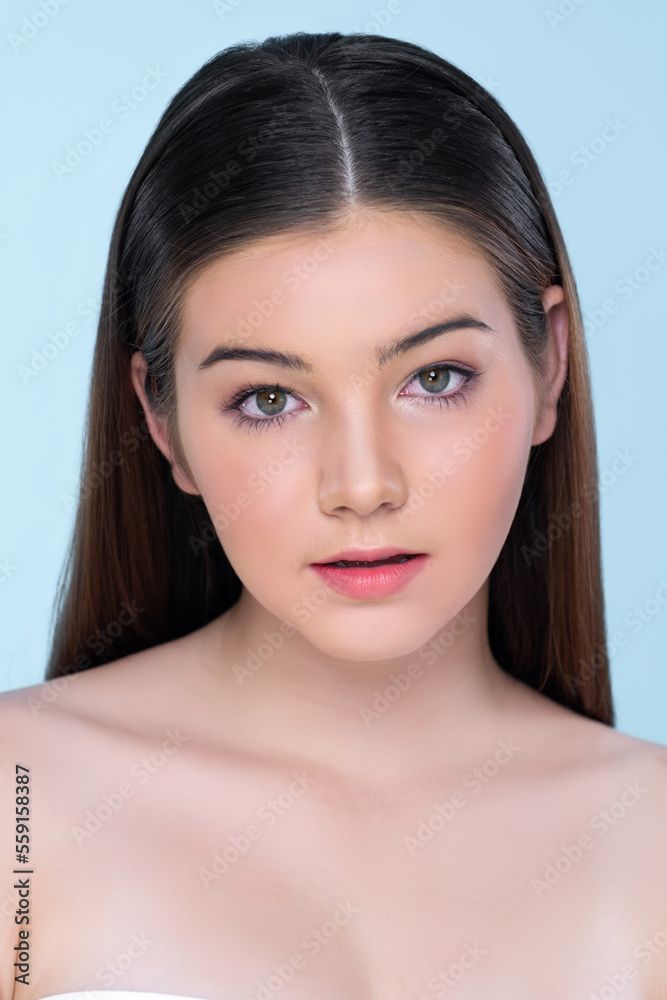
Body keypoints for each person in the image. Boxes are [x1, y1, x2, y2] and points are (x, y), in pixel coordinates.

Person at [2, 29, 666, 1000]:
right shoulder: (19, 802)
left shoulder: (649, 837)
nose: (360, 485)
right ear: (163, 421)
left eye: (434, 378)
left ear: (548, 361)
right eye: (268, 399)